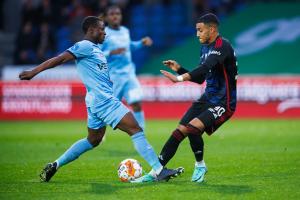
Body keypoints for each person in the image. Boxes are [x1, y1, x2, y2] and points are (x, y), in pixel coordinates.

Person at [19, 16, 180, 183]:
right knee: (136, 129)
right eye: (102, 29)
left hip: (95, 102)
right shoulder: (84, 46)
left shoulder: (95, 49)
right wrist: (33, 72)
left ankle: (55, 164)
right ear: (91, 30)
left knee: (93, 140)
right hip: (104, 101)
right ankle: (159, 170)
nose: (105, 33)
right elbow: (59, 59)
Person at [135, 13, 238, 183]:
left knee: (192, 128)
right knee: (179, 131)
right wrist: (179, 69)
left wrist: (179, 79)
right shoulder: (205, 47)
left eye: (200, 30)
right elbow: (200, 78)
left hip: (224, 101)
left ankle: (200, 165)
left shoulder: (222, 46)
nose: (197, 34)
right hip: (207, 97)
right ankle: (156, 173)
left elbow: (205, 68)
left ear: (211, 29)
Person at [101, 5, 153, 130]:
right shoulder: (104, 33)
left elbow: (129, 46)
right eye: (112, 14)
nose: (115, 16)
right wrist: (111, 53)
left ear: (121, 16)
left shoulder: (125, 31)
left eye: (117, 13)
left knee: (136, 103)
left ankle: (141, 132)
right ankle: (97, 132)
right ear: (107, 18)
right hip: (114, 77)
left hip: (129, 75)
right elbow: (97, 54)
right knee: (108, 108)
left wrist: (141, 43)